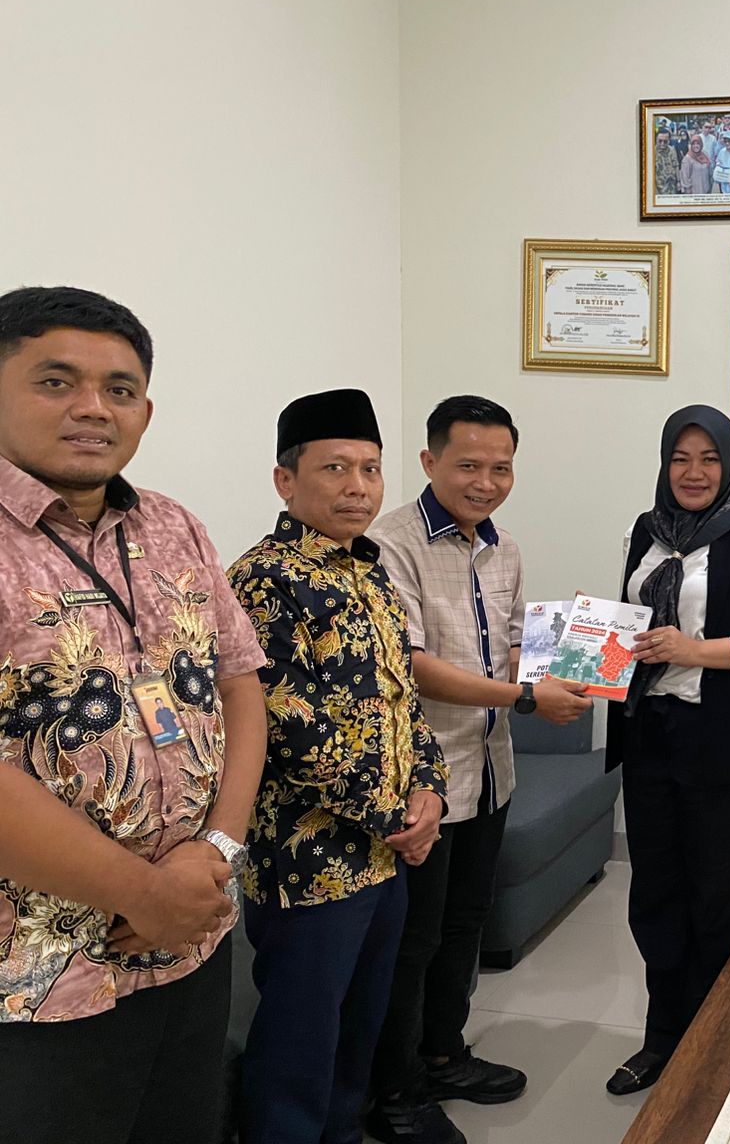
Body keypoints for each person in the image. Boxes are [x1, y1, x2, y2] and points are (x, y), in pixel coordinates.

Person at [0, 285, 265, 1144]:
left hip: (193, 935)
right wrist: (142, 892)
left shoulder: (173, 526)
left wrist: (217, 849)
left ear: (145, 411)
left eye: (119, 389)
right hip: (36, 978)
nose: (93, 407)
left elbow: (240, 683)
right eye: (55, 381)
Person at [364, 396, 592, 1144]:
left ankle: (443, 1052)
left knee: (465, 923)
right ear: (429, 462)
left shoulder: (504, 548)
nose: (486, 483)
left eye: (501, 468)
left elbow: (515, 644)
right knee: (414, 939)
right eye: (469, 465)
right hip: (423, 781)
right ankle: (395, 1091)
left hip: (492, 769)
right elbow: (410, 664)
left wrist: (575, 658)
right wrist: (525, 697)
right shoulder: (389, 543)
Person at [228, 388, 449, 1144]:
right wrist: (396, 819)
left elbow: (403, 698)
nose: (358, 486)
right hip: (308, 860)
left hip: (384, 855)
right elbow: (289, 730)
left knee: (360, 1027)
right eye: (335, 468)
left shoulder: (371, 572)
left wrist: (429, 790)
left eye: (370, 469)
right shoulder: (264, 580)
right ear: (285, 480)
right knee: (300, 1038)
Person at [603, 406, 730, 1096]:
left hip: (725, 739)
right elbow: (633, 624)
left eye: (708, 458)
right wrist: (593, 635)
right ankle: (662, 1037)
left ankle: (713, 1047)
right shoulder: (645, 530)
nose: (693, 473)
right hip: (652, 733)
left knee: (716, 897)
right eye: (680, 458)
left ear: (729, 463)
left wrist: (697, 650)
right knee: (655, 892)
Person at [653, 129, 679, 196]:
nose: (662, 143)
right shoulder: (652, 152)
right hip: (659, 189)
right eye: (660, 141)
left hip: (672, 187)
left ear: (669, 141)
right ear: (656, 140)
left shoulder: (672, 150)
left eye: (665, 141)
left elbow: (676, 166)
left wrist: (678, 182)